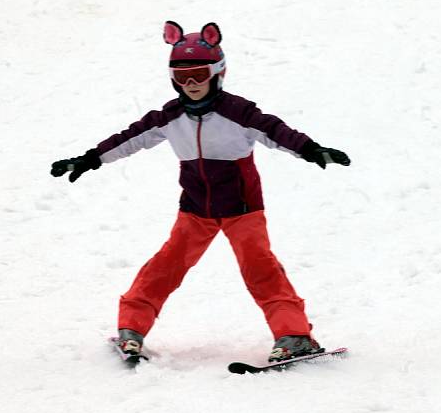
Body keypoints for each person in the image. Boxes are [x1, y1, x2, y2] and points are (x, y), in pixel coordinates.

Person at [50, 22, 351, 363]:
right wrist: (90, 160)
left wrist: (311, 150)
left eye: (198, 74)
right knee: (165, 267)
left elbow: (275, 130)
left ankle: (294, 335)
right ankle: (131, 329)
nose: (191, 84)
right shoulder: (170, 116)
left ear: (218, 73)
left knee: (261, 270)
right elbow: (129, 138)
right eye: (182, 77)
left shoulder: (237, 113)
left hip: (242, 209)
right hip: (195, 209)